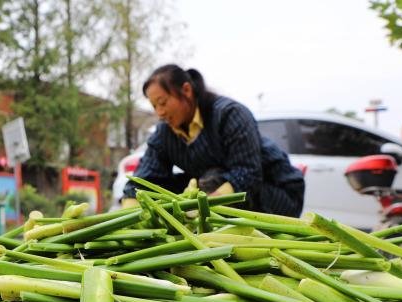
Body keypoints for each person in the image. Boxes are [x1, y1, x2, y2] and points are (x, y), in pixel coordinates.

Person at [122, 64, 305, 217]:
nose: (159, 113)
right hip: (217, 186)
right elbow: (141, 181)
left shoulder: (228, 114)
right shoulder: (165, 133)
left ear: (186, 90)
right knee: (166, 189)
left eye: (163, 103)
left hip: (276, 191)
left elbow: (248, 174)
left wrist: (198, 210)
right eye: (154, 106)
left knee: (209, 181)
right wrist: (128, 222)